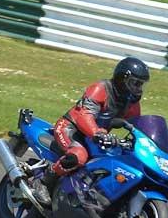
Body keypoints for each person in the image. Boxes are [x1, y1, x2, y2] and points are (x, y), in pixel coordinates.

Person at [31, 57, 150, 206]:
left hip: (96, 137)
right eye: (135, 83)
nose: (139, 89)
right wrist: (96, 133)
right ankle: (43, 181)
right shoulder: (100, 89)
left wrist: (142, 143)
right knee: (79, 156)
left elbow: (136, 127)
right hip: (71, 128)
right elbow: (84, 115)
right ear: (122, 79)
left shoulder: (132, 104)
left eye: (141, 85)